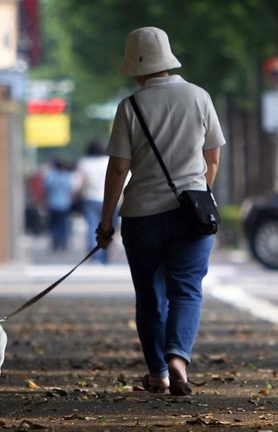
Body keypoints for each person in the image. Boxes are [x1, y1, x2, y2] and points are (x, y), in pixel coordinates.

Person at [95, 26, 226, 396]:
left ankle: (157, 373)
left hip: (142, 217)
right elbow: (212, 158)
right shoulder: (199, 97)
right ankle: (178, 359)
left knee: (150, 295)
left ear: (136, 66)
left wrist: (106, 221)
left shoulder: (130, 107)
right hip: (192, 215)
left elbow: (119, 168)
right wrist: (197, 195)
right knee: (186, 290)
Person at [76, 140, 111, 263]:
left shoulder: (85, 163)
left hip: (90, 198)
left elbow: (79, 183)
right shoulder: (108, 161)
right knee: (107, 227)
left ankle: (95, 256)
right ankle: (105, 255)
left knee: (92, 226)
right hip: (109, 198)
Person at [42, 158, 76, 251]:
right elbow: (71, 190)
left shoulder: (51, 176)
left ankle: (55, 242)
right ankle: (63, 242)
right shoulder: (67, 176)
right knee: (63, 224)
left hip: (52, 203)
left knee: (53, 224)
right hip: (65, 204)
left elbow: (46, 189)